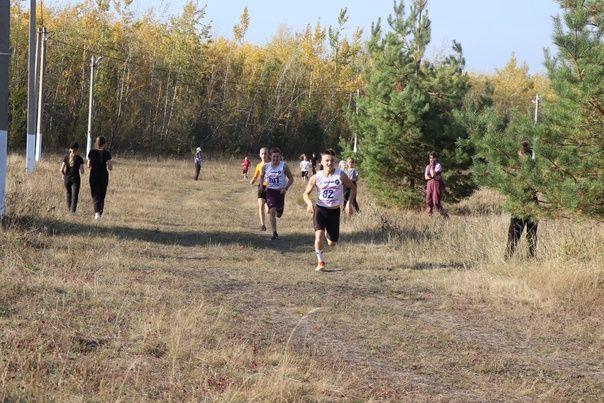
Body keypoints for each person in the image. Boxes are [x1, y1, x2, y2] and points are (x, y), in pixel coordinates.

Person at [303, 149, 356, 271]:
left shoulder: (341, 175)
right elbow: (305, 193)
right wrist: (309, 202)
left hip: (334, 211)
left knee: (332, 243)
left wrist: (349, 203)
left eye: (332, 160)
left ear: (335, 162)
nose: (329, 163)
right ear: (321, 162)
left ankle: (328, 235)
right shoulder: (316, 177)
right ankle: (320, 262)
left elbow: (353, 188)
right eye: (327, 160)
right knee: (319, 236)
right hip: (320, 210)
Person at [505, 140, 538, 259]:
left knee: (514, 233)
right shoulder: (534, 171)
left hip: (520, 203)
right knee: (531, 234)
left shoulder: (519, 172)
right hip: (532, 202)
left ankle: (507, 259)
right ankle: (531, 257)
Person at [260, 147, 294, 240]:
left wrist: (285, 188)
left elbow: (291, 179)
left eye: (278, 157)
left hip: (280, 192)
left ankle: (277, 210)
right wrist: (262, 187)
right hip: (270, 191)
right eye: (274, 157)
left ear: (280, 157)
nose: (275, 159)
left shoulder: (284, 166)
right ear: (270, 156)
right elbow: (262, 177)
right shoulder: (266, 166)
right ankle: (274, 232)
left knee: (279, 214)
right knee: (272, 211)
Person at [87, 136, 113, 220]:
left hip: (94, 174)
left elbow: (88, 165)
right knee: (102, 194)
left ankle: (97, 213)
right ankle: (99, 213)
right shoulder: (107, 153)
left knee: (95, 194)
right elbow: (110, 167)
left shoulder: (92, 152)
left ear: (96, 142)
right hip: (103, 175)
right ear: (104, 143)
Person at [60, 142, 85, 214]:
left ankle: (69, 209)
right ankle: (72, 212)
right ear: (77, 149)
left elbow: (61, 169)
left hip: (67, 179)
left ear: (70, 149)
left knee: (68, 194)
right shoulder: (79, 158)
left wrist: (64, 175)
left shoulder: (66, 157)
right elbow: (82, 171)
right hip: (76, 179)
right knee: (75, 195)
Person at [250, 147, 270, 231]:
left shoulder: (271, 164)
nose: (264, 155)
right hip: (261, 186)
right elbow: (256, 175)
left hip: (270, 187)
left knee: (268, 209)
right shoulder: (258, 165)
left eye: (265, 153)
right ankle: (262, 225)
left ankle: (267, 205)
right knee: (260, 205)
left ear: (268, 154)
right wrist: (253, 180)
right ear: (260, 155)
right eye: (262, 154)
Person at [424, 152, 448, 218]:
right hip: (429, 184)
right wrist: (430, 176)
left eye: (432, 158)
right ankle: (430, 216)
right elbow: (426, 177)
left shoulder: (438, 165)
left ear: (435, 158)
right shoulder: (427, 166)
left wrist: (432, 167)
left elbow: (433, 174)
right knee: (428, 201)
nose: (431, 160)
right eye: (430, 158)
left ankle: (445, 215)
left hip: (436, 183)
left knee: (436, 202)